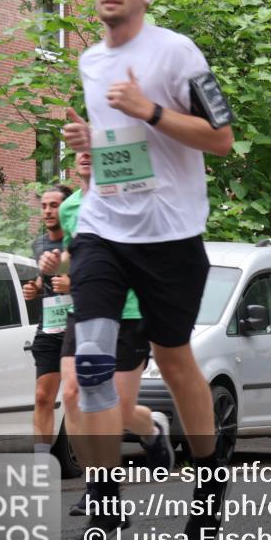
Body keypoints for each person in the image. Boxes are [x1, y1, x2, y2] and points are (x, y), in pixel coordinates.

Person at [60, 0, 233, 540]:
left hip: (171, 234)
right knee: (86, 376)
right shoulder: (88, 62)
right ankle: (105, 509)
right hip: (104, 230)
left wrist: (151, 110)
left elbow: (222, 138)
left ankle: (210, 484)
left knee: (176, 358)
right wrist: (91, 142)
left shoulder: (178, 52)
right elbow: (118, 145)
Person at [45, 149, 173, 515]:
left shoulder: (127, 197)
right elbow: (78, 249)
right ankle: (96, 487)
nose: (85, 155)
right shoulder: (70, 208)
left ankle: (151, 430)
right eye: (79, 151)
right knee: (71, 394)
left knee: (117, 408)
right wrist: (58, 260)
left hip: (129, 311)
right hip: (84, 310)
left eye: (93, 149)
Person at [22, 185, 72, 457]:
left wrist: (71, 285)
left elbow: (99, 282)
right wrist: (36, 289)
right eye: (44, 206)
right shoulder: (39, 244)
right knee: (43, 397)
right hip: (50, 328)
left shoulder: (81, 241)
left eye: (54, 205)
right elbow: (45, 280)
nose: (48, 211)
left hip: (80, 327)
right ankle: (42, 461)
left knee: (81, 399)